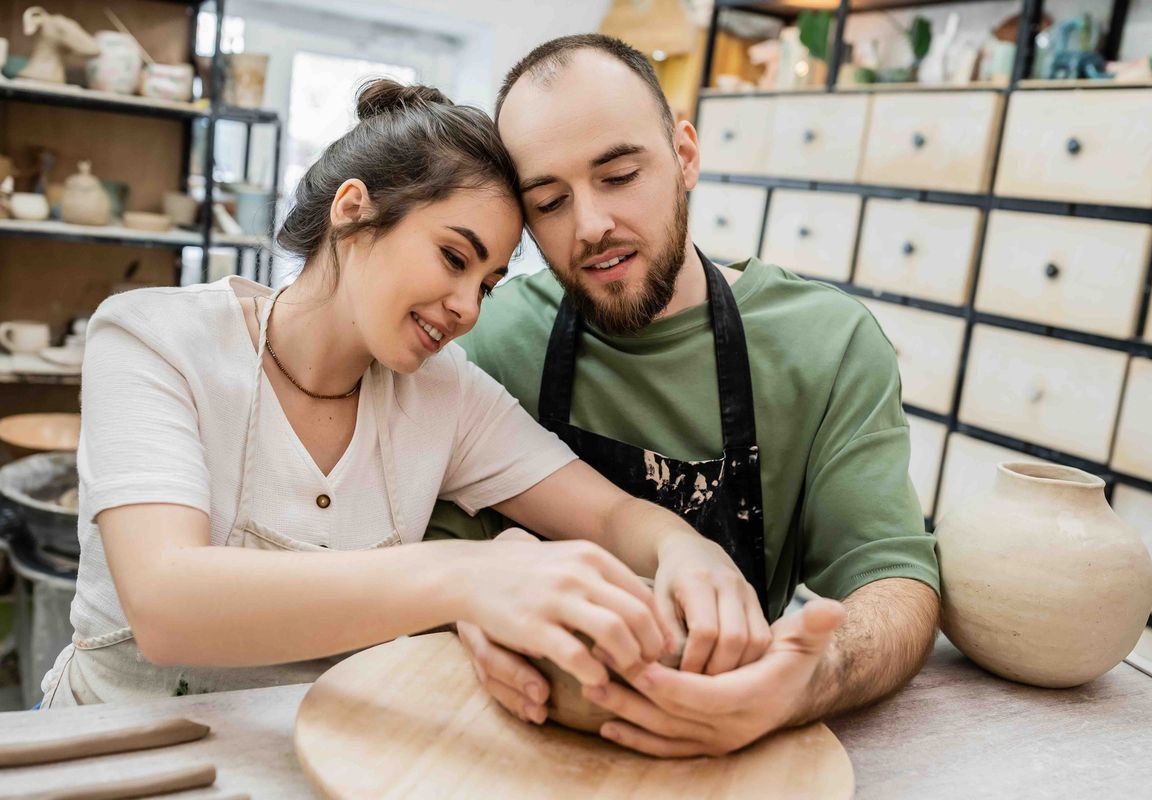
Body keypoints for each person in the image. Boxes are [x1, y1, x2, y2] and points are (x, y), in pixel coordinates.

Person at [39, 80, 768, 709]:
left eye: (486, 284)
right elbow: (169, 604)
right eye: (453, 257)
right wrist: (467, 576)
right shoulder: (154, 339)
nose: (467, 309)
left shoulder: (444, 396)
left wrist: (683, 550)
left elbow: (608, 514)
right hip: (111, 745)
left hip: (321, 750)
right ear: (353, 210)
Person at [428, 35, 942, 757]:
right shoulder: (489, 340)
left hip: (730, 745)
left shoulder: (827, 345)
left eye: (619, 175)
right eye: (549, 201)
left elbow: (896, 581)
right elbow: (432, 555)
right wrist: (469, 606)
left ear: (685, 156)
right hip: (526, 740)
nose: (590, 226)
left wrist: (807, 683)